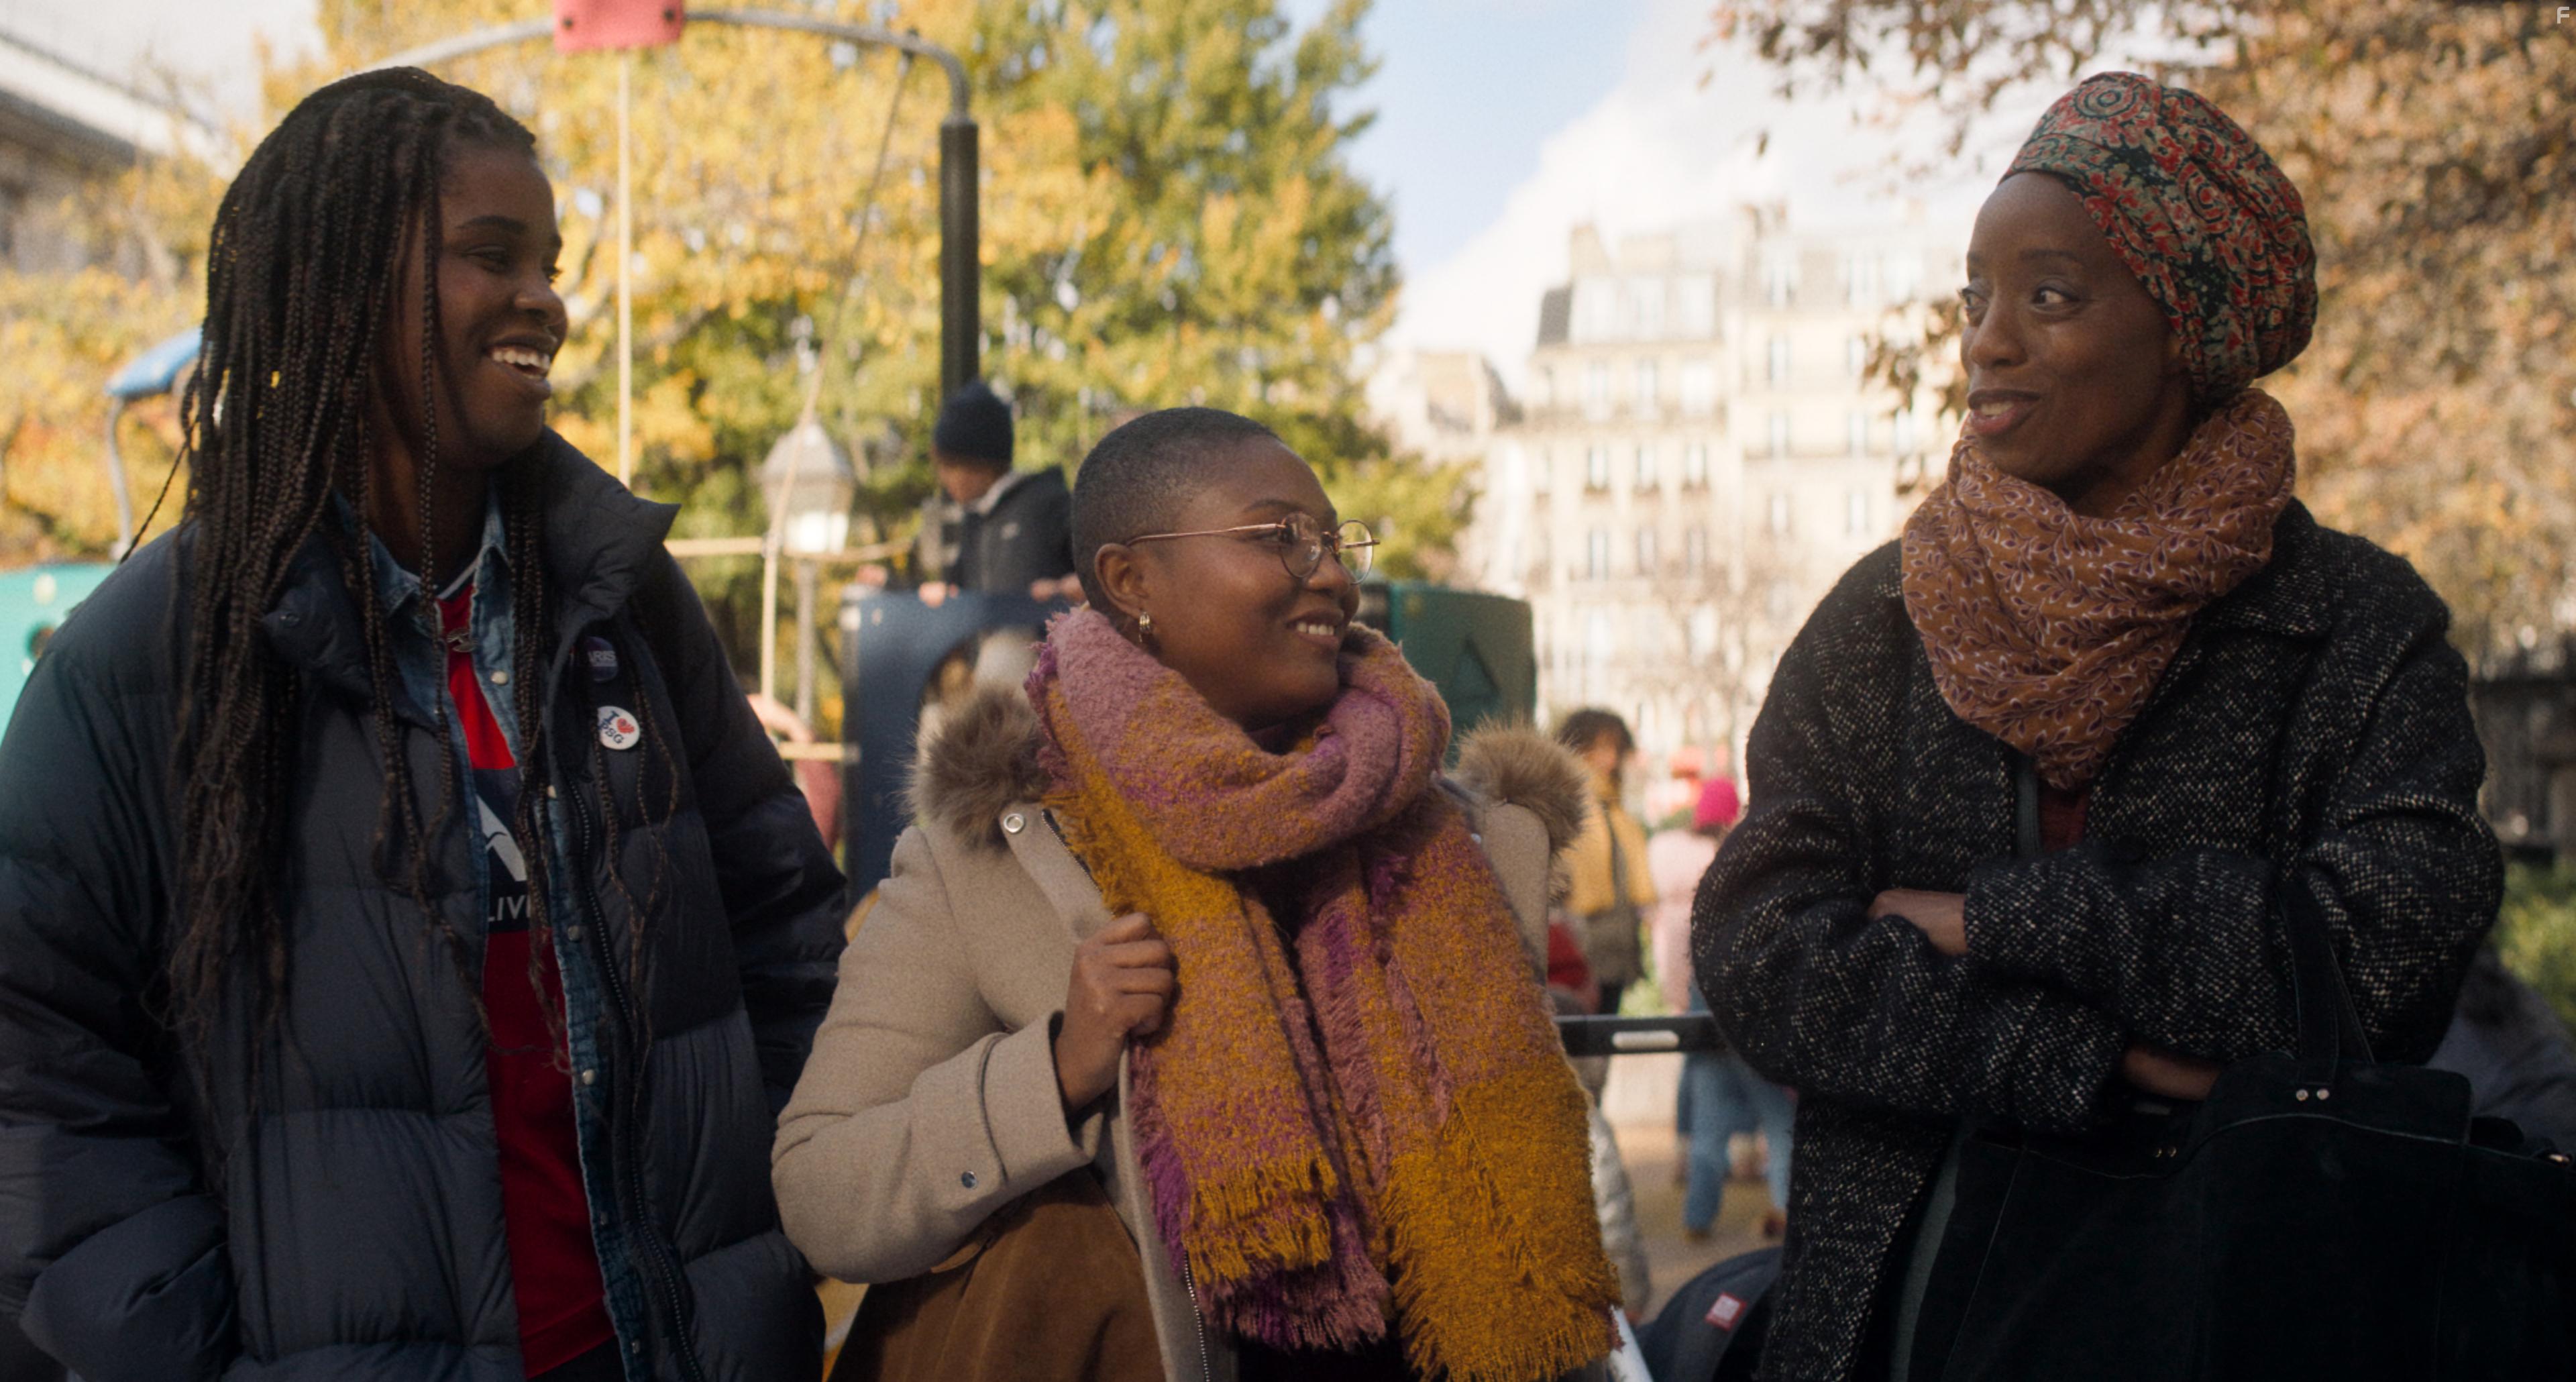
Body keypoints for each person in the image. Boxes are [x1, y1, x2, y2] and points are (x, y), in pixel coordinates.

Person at [0, 70, 847, 1382]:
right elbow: (35, 1067)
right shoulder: (148, 662)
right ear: (340, 294)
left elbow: (788, 935)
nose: (546, 301)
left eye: (551, 263)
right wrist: (186, 1349)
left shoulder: (627, 597)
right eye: (489, 256)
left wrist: (774, 1225)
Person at [1694, 72, 2501, 1382]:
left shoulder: (2351, 620)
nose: (1987, 343)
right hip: (1899, 1322)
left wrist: (1991, 917)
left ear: (2185, 328)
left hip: (2239, 1309)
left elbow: (2383, 950)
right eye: (1975, 299)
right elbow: (1762, 942)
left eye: (2049, 296)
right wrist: (2087, 1055)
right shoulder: (1886, 614)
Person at [773, 407, 1621, 1382]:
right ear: (1134, 582)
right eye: (1281, 539)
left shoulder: (1461, 838)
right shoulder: (992, 856)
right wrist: (1055, 1071)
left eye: (1336, 542)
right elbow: (823, 1190)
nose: (1335, 575)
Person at [1657, 780, 1792, 1245]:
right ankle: (1787, 1211)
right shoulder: (1770, 876)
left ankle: (1698, 1218)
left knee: (1709, 1131)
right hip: (1753, 1025)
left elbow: (1689, 953)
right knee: (1779, 1123)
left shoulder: (1706, 880)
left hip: (1709, 1019)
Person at [910, 378, 1079, 606]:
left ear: (980, 463)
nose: (943, 478)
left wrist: (1075, 587)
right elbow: (960, 593)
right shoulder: (974, 519)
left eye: (950, 465)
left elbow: (1101, 575)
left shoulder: (1048, 503)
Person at [1558, 709, 1656, 1013]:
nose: (1609, 759)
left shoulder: (1620, 817)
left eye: (1615, 749)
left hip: (1617, 949)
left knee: (1604, 1040)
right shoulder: (1565, 809)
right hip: (1577, 947)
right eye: (1599, 748)